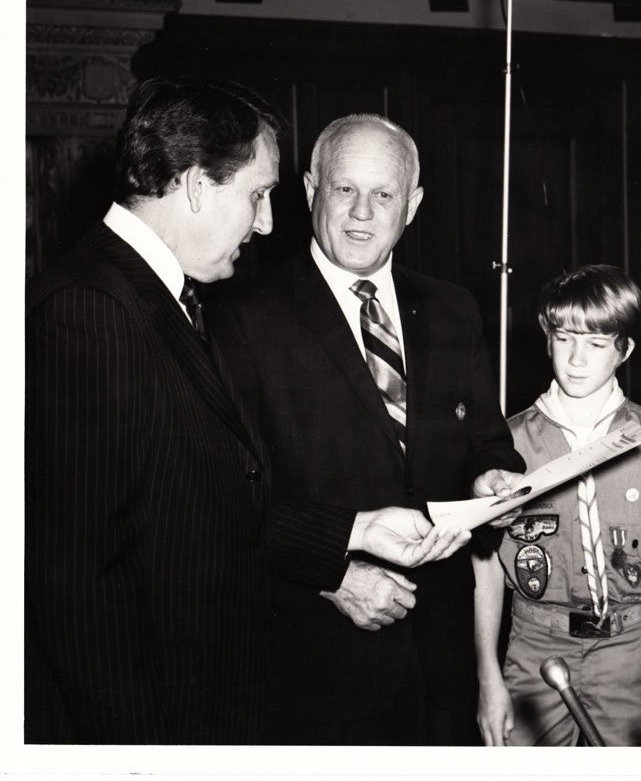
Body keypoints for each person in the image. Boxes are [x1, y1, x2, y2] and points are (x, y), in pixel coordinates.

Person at [211, 113, 525, 745]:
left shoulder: (453, 308)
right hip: (317, 665)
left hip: (443, 664)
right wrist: (330, 579)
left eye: (383, 194)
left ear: (413, 205)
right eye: (344, 189)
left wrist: (494, 478)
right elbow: (223, 500)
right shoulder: (242, 316)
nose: (361, 212)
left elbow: (488, 443)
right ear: (310, 190)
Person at [25, 75, 281, 744]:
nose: (266, 223)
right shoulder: (89, 309)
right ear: (196, 185)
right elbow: (74, 580)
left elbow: (193, 504)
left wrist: (353, 533)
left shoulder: (164, 295)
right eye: (257, 195)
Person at [473, 265, 641, 746]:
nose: (576, 359)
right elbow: (487, 565)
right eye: (564, 339)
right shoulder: (507, 442)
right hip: (535, 645)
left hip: (629, 648)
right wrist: (487, 674)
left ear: (625, 350)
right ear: (547, 339)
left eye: (596, 344)